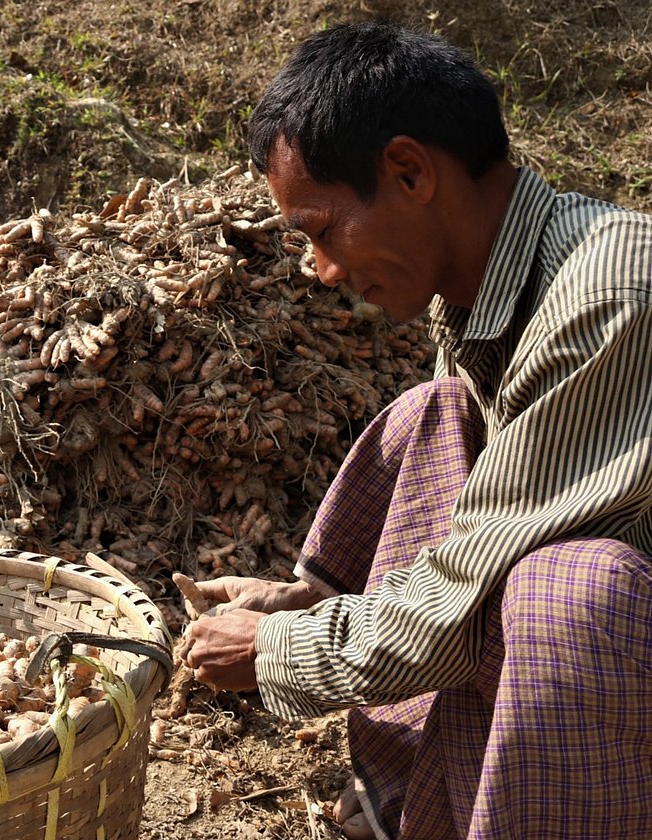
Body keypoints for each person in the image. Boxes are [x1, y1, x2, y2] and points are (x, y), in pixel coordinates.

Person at [183, 20, 652, 840]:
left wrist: (276, 650)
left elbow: (459, 602)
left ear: (409, 171)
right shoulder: (482, 292)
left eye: (323, 231)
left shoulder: (611, 302)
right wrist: (311, 604)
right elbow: (476, 524)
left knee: (570, 596)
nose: (325, 270)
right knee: (433, 418)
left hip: (617, 647)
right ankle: (419, 788)